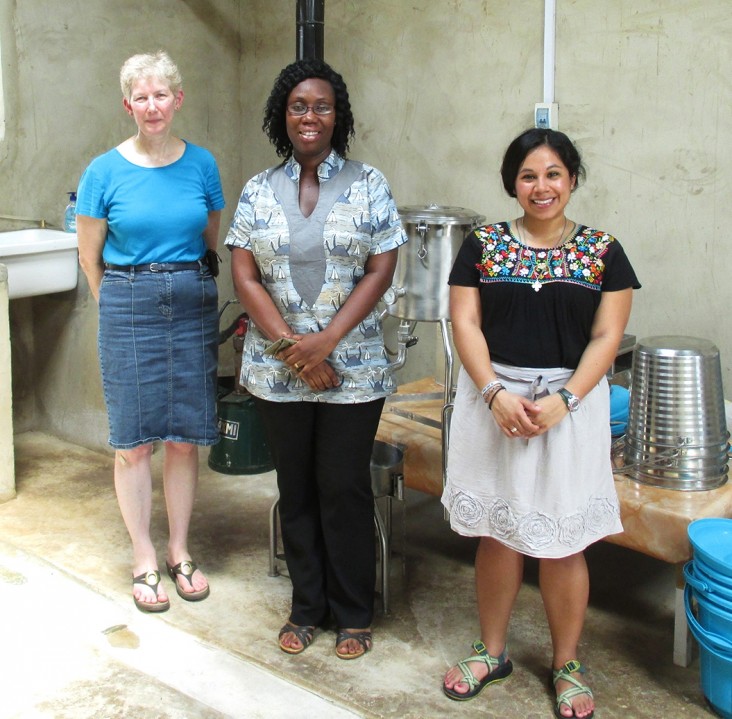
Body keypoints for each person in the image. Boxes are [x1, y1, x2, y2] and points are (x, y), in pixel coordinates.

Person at [441, 128, 640, 717]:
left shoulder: (605, 251)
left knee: (563, 542)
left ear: (572, 179)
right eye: (528, 175)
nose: (541, 186)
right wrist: (495, 392)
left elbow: (607, 337)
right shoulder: (482, 245)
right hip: (493, 403)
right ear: (512, 184)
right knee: (498, 534)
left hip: (569, 410)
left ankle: (567, 663)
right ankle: (493, 650)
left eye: (553, 173)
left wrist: (566, 400)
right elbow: (466, 324)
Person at [225, 59, 407, 659]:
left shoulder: (369, 183)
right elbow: (244, 273)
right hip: (277, 371)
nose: (310, 116)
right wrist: (294, 352)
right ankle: (307, 607)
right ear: (284, 114)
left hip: (351, 367)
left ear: (339, 116)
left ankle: (354, 611)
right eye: (299, 106)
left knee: (342, 487)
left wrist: (326, 342)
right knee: (296, 487)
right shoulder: (257, 189)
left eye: (322, 106)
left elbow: (382, 268)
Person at [76, 51, 224, 613]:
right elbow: (90, 257)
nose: (152, 106)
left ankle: (180, 551)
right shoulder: (102, 171)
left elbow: (209, 237)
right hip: (126, 301)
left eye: (162, 95)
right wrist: (119, 301)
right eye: (141, 96)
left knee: (185, 437)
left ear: (177, 99)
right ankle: (143, 556)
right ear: (127, 105)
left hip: (191, 298)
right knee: (134, 440)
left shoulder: (203, 165)